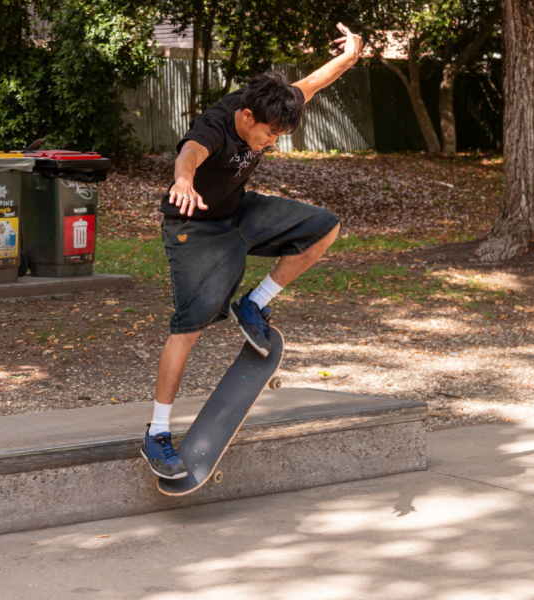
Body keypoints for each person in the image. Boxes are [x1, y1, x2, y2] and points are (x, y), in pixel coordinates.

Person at [141, 24, 364, 479]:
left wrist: (351, 57)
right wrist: (182, 181)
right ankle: (158, 433)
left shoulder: (270, 102)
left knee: (325, 227)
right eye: (267, 135)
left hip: (239, 212)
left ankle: (254, 303)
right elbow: (189, 153)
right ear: (245, 117)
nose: (271, 142)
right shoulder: (217, 126)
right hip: (194, 228)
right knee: (190, 326)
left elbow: (315, 82)